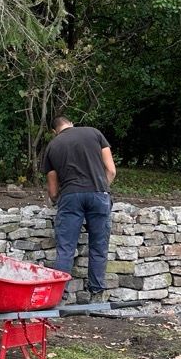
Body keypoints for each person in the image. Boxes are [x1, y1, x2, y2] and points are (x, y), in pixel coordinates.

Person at [41, 116, 116, 303]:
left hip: (70, 197)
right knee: (98, 246)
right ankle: (96, 296)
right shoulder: (94, 133)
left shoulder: (52, 146)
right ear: (71, 123)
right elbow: (111, 170)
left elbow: (52, 190)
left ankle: (60, 298)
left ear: (54, 131)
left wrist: (58, 199)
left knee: (65, 249)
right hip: (98, 194)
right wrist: (101, 188)